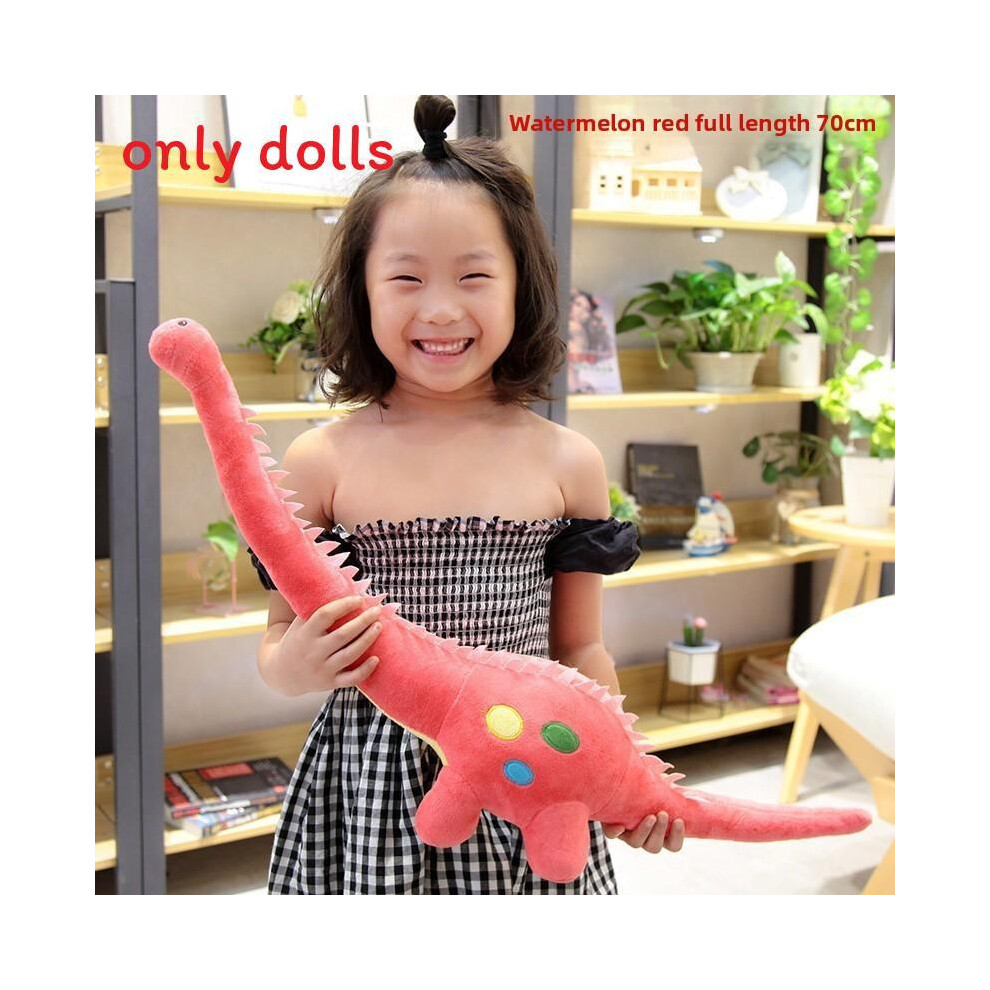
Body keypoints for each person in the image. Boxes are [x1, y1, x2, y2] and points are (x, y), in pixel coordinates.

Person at [249, 95, 684, 895]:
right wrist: (295, 665)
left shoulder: (568, 461)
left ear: (523, 287)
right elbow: (278, 641)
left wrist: (620, 766)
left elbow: (580, 650)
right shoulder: (319, 462)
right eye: (406, 277)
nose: (441, 308)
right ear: (362, 292)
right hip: (368, 788)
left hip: (531, 772)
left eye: (475, 276)